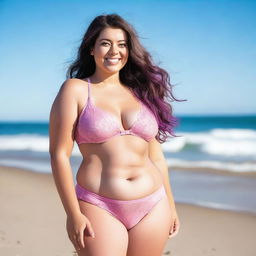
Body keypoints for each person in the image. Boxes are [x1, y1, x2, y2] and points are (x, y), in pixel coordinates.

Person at [49, 13, 181, 256]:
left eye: (122, 44)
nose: (114, 51)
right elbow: (59, 154)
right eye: (105, 43)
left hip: (153, 204)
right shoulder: (76, 90)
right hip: (99, 204)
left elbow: (157, 157)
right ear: (91, 48)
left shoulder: (141, 92)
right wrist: (73, 214)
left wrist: (171, 205)